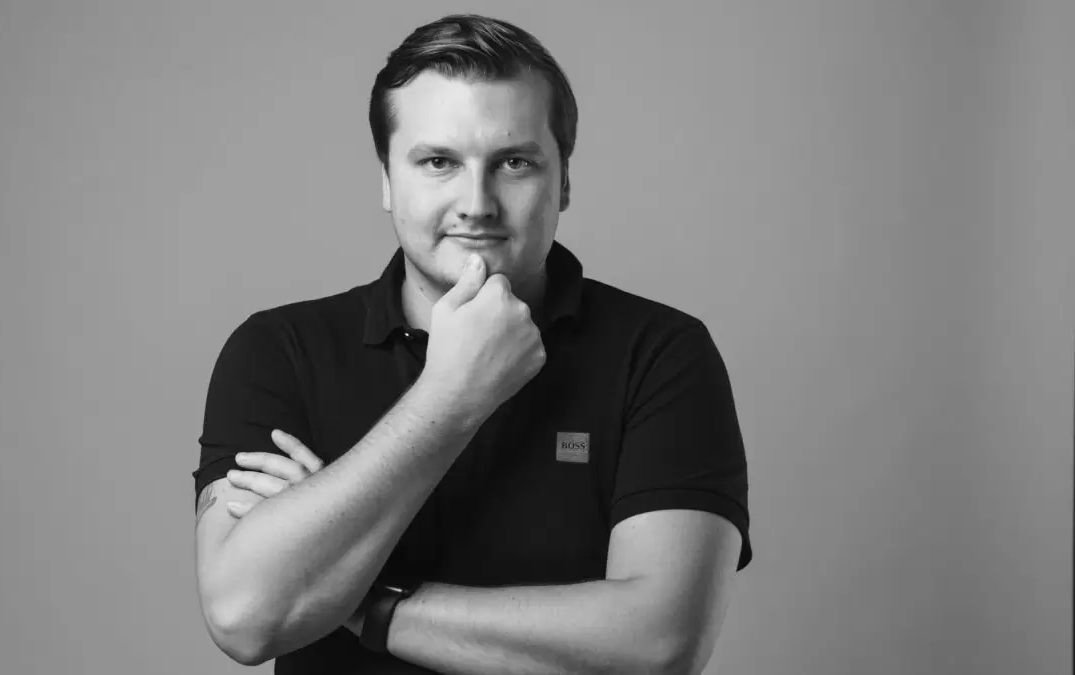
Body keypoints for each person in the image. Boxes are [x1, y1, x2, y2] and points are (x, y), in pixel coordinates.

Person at [192, 13, 752, 674]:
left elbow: (660, 644)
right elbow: (244, 618)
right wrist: (453, 394)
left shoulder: (661, 354)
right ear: (387, 178)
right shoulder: (277, 352)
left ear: (564, 181)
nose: (477, 203)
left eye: (515, 162)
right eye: (439, 162)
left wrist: (355, 598)